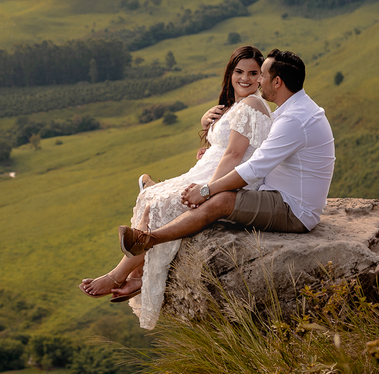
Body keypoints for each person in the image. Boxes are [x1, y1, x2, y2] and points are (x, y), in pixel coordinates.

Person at [79, 46, 272, 329]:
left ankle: (119, 275)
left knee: (155, 202)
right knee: (150, 197)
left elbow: (234, 155)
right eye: (238, 71)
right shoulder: (236, 105)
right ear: (230, 73)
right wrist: (206, 123)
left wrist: (208, 189)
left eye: (253, 73)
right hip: (209, 169)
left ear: (261, 77)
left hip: (225, 178)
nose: (244, 78)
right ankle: (135, 277)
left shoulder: (253, 105)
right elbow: (225, 145)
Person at [117, 49, 334, 266]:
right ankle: (134, 263)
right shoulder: (293, 111)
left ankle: (149, 239)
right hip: (278, 195)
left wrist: (206, 190)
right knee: (217, 195)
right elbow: (258, 150)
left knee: (220, 200)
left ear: (277, 82)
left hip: (293, 210)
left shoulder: (294, 119)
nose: (258, 81)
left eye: (262, 76)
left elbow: (254, 168)